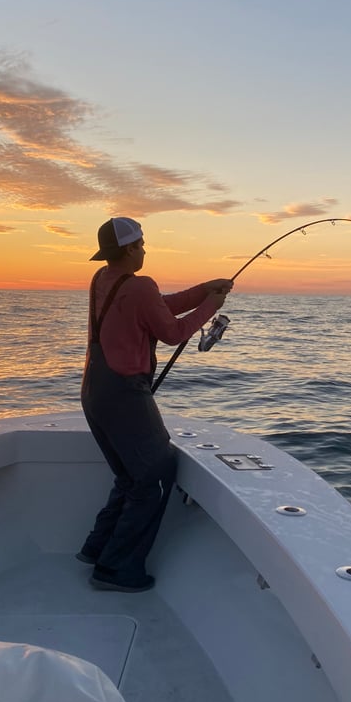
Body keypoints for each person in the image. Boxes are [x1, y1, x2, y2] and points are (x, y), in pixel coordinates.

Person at [77, 216, 232, 592]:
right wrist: (210, 306)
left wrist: (202, 290)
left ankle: (98, 548)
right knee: (156, 475)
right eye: (142, 243)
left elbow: (158, 306)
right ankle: (115, 570)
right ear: (130, 248)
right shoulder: (139, 285)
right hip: (124, 394)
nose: (145, 249)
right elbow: (171, 331)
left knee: (130, 476)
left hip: (94, 389)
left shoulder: (103, 281)